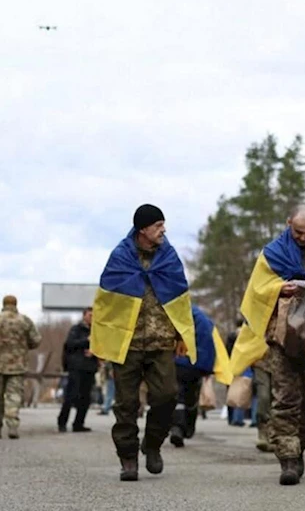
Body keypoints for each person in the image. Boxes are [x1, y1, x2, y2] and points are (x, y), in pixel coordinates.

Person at [230, 205, 305, 486]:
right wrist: (279, 288)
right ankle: (288, 458)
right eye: (298, 232)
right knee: (285, 399)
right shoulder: (272, 253)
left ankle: (299, 445)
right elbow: (256, 290)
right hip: (282, 338)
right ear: (288, 224)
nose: (304, 238)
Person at [90, 204, 197, 482]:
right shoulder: (120, 258)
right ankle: (128, 458)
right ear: (143, 230)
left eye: (164, 225)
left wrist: (182, 334)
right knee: (125, 404)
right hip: (127, 342)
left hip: (161, 341)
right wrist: (103, 340)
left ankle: (152, 445)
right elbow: (106, 302)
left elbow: (180, 297)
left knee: (167, 396)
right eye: (158, 225)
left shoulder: (169, 257)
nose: (164, 230)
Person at [170, 305, 232, 447]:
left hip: (177, 361)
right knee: (191, 396)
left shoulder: (173, 312)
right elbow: (208, 342)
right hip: (194, 364)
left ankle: (177, 427)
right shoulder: (201, 317)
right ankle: (187, 428)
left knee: (178, 395)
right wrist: (207, 368)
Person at [0, 295, 41, 439]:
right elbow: (36, 341)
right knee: (14, 396)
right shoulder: (24, 320)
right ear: (16, 304)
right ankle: (12, 426)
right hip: (17, 364)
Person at [57, 307, 98, 432]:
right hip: (76, 367)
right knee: (71, 395)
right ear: (84, 315)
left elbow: (103, 348)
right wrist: (86, 341)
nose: (92, 317)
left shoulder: (97, 331)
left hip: (89, 367)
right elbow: (70, 344)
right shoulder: (76, 329)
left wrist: (94, 352)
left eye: (94, 315)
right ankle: (62, 422)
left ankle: (79, 423)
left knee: (85, 397)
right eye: (90, 315)